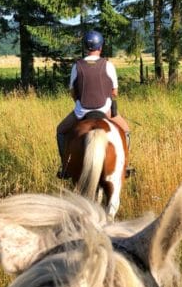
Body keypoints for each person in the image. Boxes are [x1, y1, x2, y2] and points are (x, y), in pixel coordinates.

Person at [56, 30, 130, 178]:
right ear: (100, 47)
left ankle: (66, 166)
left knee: (60, 131)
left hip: (81, 112)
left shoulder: (77, 66)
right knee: (126, 131)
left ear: (85, 47)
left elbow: (73, 92)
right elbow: (115, 92)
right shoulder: (108, 65)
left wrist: (80, 101)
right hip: (106, 111)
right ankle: (126, 166)